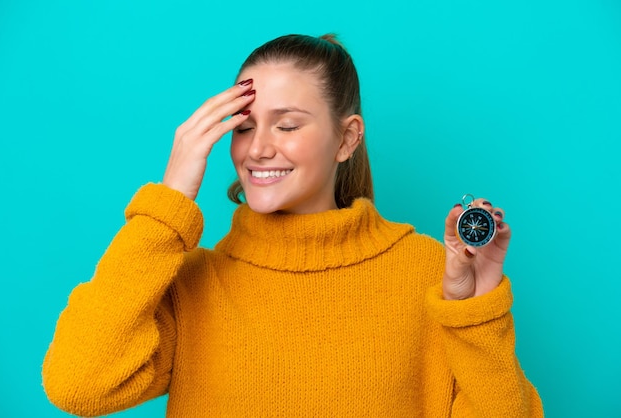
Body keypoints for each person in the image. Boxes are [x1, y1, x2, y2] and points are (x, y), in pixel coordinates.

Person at [42, 34, 543, 417]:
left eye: (287, 124)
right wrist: (168, 205)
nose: (258, 148)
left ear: (347, 139)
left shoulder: (429, 273)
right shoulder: (191, 284)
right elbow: (77, 382)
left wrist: (474, 315)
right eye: (243, 126)